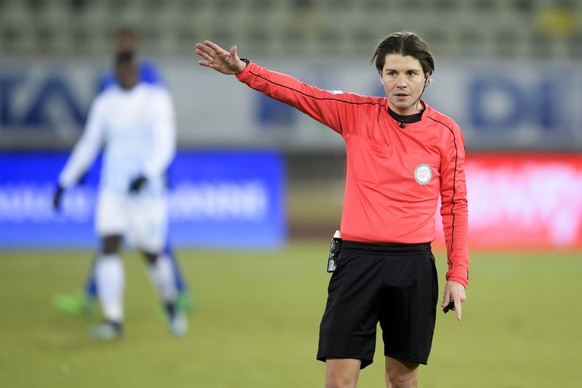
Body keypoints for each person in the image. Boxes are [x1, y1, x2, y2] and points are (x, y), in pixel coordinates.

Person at [195, 31, 469, 387]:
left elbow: (455, 205)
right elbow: (301, 93)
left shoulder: (446, 133)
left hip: (412, 266)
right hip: (356, 263)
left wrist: (457, 275)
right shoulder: (356, 113)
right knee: (338, 380)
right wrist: (244, 70)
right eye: (391, 74)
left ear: (427, 76)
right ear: (381, 76)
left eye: (411, 74)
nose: (401, 83)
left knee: (402, 379)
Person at [54, 27, 195, 317]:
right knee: (110, 242)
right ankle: (109, 313)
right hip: (115, 184)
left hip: (147, 184)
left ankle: (174, 297)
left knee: (154, 249)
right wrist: (66, 179)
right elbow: (91, 141)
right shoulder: (107, 95)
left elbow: (164, 137)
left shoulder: (153, 87)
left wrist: (153, 171)